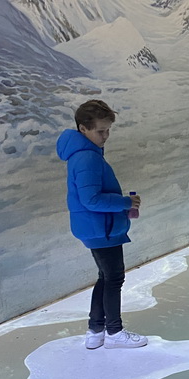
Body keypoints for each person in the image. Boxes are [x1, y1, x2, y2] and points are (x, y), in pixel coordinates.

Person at [56, 100, 148, 350]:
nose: (105, 136)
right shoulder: (87, 158)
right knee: (114, 278)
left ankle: (95, 330)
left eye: (108, 130)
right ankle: (114, 332)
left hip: (96, 227)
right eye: (100, 131)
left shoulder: (83, 154)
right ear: (83, 128)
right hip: (102, 228)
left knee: (105, 277)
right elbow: (91, 199)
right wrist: (123, 202)